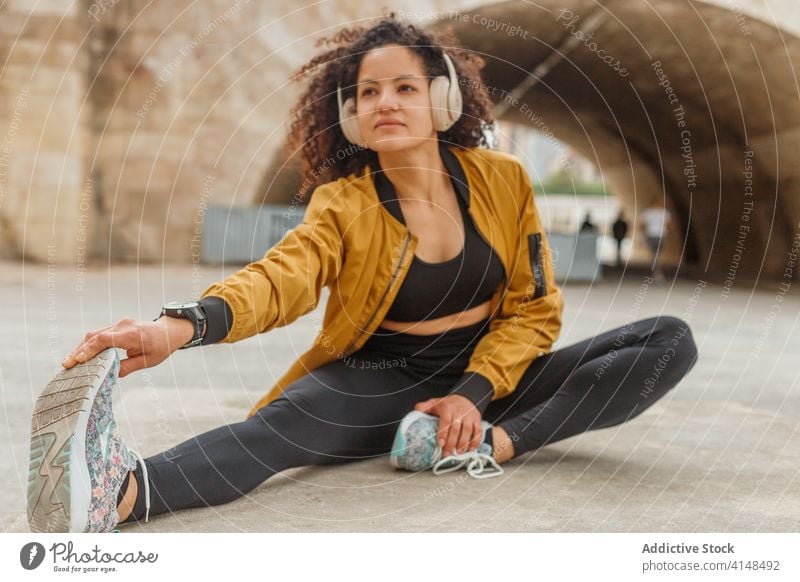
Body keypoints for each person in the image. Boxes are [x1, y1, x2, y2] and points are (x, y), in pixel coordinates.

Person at [28, 16, 699, 533]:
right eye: (368, 91)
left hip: (489, 377)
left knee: (669, 339)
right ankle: (118, 494)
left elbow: (534, 308)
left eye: (405, 87)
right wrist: (180, 326)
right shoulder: (342, 202)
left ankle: (483, 445)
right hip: (376, 379)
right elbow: (280, 279)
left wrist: (472, 397)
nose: (385, 101)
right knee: (271, 438)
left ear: (442, 99)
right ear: (350, 112)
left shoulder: (505, 180)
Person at [639, 200, 672, 283]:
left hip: (651, 235)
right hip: (660, 235)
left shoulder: (648, 213)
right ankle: (657, 272)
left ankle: (656, 271)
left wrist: (644, 235)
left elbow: (641, 225)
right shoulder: (664, 212)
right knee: (657, 254)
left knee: (655, 254)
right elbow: (669, 225)